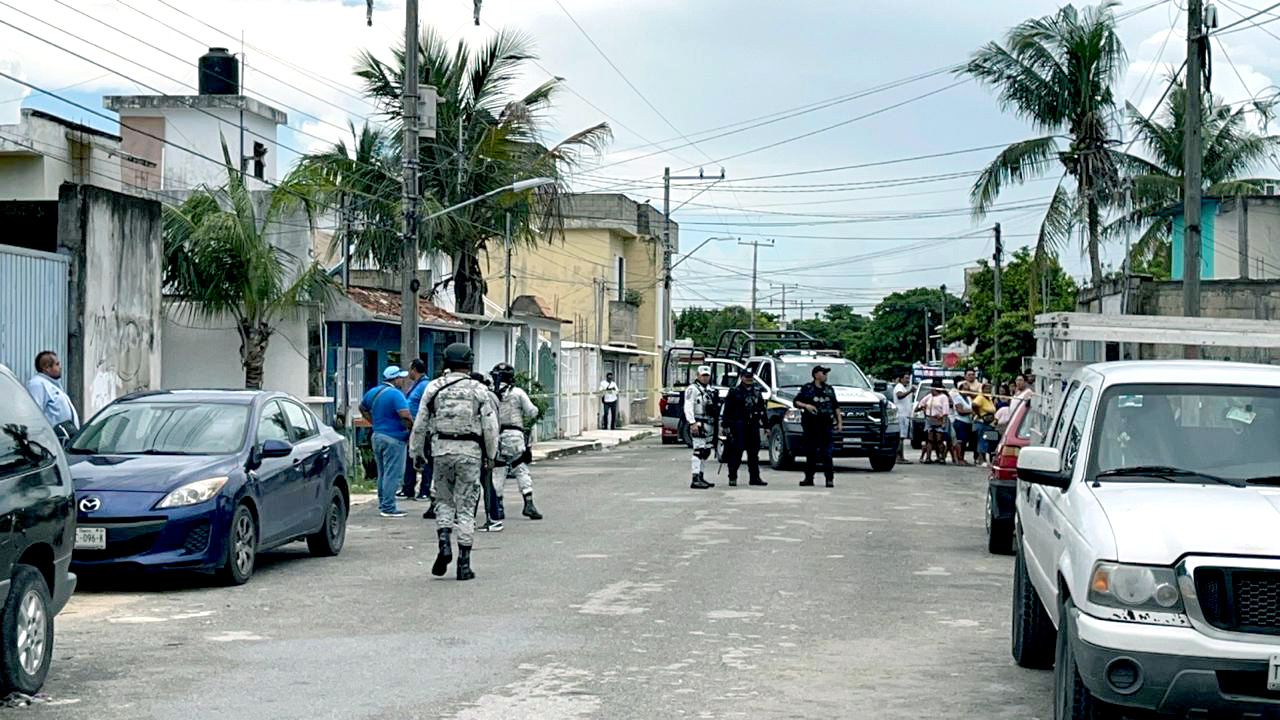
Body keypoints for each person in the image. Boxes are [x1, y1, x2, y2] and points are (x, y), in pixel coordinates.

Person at [409, 343, 498, 581]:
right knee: (467, 506)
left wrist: (416, 453)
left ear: (445, 362)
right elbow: (490, 426)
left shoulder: (433, 387)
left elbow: (420, 423)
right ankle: (464, 564)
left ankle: (444, 542)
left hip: (441, 451)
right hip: (470, 453)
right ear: (469, 364)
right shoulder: (479, 390)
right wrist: (491, 456)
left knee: (443, 500)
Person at [490, 362, 543, 523]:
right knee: (520, 469)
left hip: (496, 436)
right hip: (514, 436)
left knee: (498, 471)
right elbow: (532, 411)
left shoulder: (490, 394)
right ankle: (528, 503)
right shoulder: (517, 393)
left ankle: (498, 506)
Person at [360, 365, 413, 518]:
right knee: (393, 473)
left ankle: (383, 502)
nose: (402, 380)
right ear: (395, 379)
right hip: (394, 437)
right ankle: (389, 507)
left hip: (377, 435)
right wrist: (411, 429)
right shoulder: (396, 395)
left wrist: (373, 422)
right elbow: (405, 415)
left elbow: (362, 408)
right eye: (401, 378)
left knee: (382, 472)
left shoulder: (373, 392)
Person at [795, 365, 842, 487]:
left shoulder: (829, 389)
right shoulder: (807, 388)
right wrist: (806, 406)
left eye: (826, 373)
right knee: (810, 452)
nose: (825, 376)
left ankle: (829, 479)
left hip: (826, 425)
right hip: (811, 425)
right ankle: (809, 478)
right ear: (816, 374)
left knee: (827, 453)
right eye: (823, 373)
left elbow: (836, 407)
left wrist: (840, 422)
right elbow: (796, 402)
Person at [720, 367, 767, 487]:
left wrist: (766, 426)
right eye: (746, 377)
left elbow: (762, 410)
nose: (749, 379)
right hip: (738, 425)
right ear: (742, 378)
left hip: (753, 426)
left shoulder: (757, 391)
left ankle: (755, 478)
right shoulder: (734, 391)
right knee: (736, 453)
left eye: (750, 377)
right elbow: (727, 410)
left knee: (753, 454)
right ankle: (732, 476)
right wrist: (725, 425)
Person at [26, 351, 79, 438]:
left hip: (65, 439)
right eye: (57, 364)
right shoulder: (37, 384)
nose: (60, 367)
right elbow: (35, 415)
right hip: (52, 440)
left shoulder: (52, 385)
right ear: (47, 367)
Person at [401, 359, 432, 504]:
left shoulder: (425, 385)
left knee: (423, 457)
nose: (408, 373)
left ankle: (424, 490)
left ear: (414, 369)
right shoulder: (417, 385)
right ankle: (408, 487)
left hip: (422, 428)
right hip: (412, 427)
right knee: (410, 456)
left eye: (410, 370)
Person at [683, 365, 717, 489]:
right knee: (698, 450)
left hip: (709, 423)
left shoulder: (709, 389)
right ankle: (695, 478)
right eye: (703, 375)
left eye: (707, 375)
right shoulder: (692, 389)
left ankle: (701, 476)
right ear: (697, 375)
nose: (705, 378)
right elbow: (688, 406)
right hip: (698, 422)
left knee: (706, 451)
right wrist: (692, 423)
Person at [920, 379, 951, 464]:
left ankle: (941, 457)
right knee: (929, 440)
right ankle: (928, 457)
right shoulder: (929, 396)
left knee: (939, 440)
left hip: (939, 420)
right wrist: (924, 409)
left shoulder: (943, 397)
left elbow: (945, 411)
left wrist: (943, 422)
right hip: (929, 419)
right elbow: (921, 403)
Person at [971, 382, 998, 467]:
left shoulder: (988, 399)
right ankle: (980, 459)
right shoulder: (980, 397)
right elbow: (974, 404)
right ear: (982, 389)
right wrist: (979, 414)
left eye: (989, 389)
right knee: (982, 440)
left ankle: (985, 459)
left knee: (988, 441)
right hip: (982, 422)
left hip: (989, 423)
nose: (988, 390)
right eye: (986, 389)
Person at [892, 371, 914, 464]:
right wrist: (910, 391)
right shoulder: (899, 387)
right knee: (900, 437)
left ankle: (901, 456)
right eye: (906, 378)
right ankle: (898, 457)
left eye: (908, 378)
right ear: (901, 379)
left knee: (902, 437)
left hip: (905, 415)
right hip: (901, 415)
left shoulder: (903, 387)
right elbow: (899, 395)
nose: (907, 380)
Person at [950, 381, 973, 465]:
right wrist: (971, 411)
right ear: (960, 389)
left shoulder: (969, 398)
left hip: (968, 422)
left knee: (964, 442)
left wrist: (969, 411)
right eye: (965, 389)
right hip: (960, 422)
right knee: (959, 441)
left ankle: (962, 458)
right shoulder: (957, 397)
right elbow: (960, 410)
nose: (967, 391)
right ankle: (959, 459)